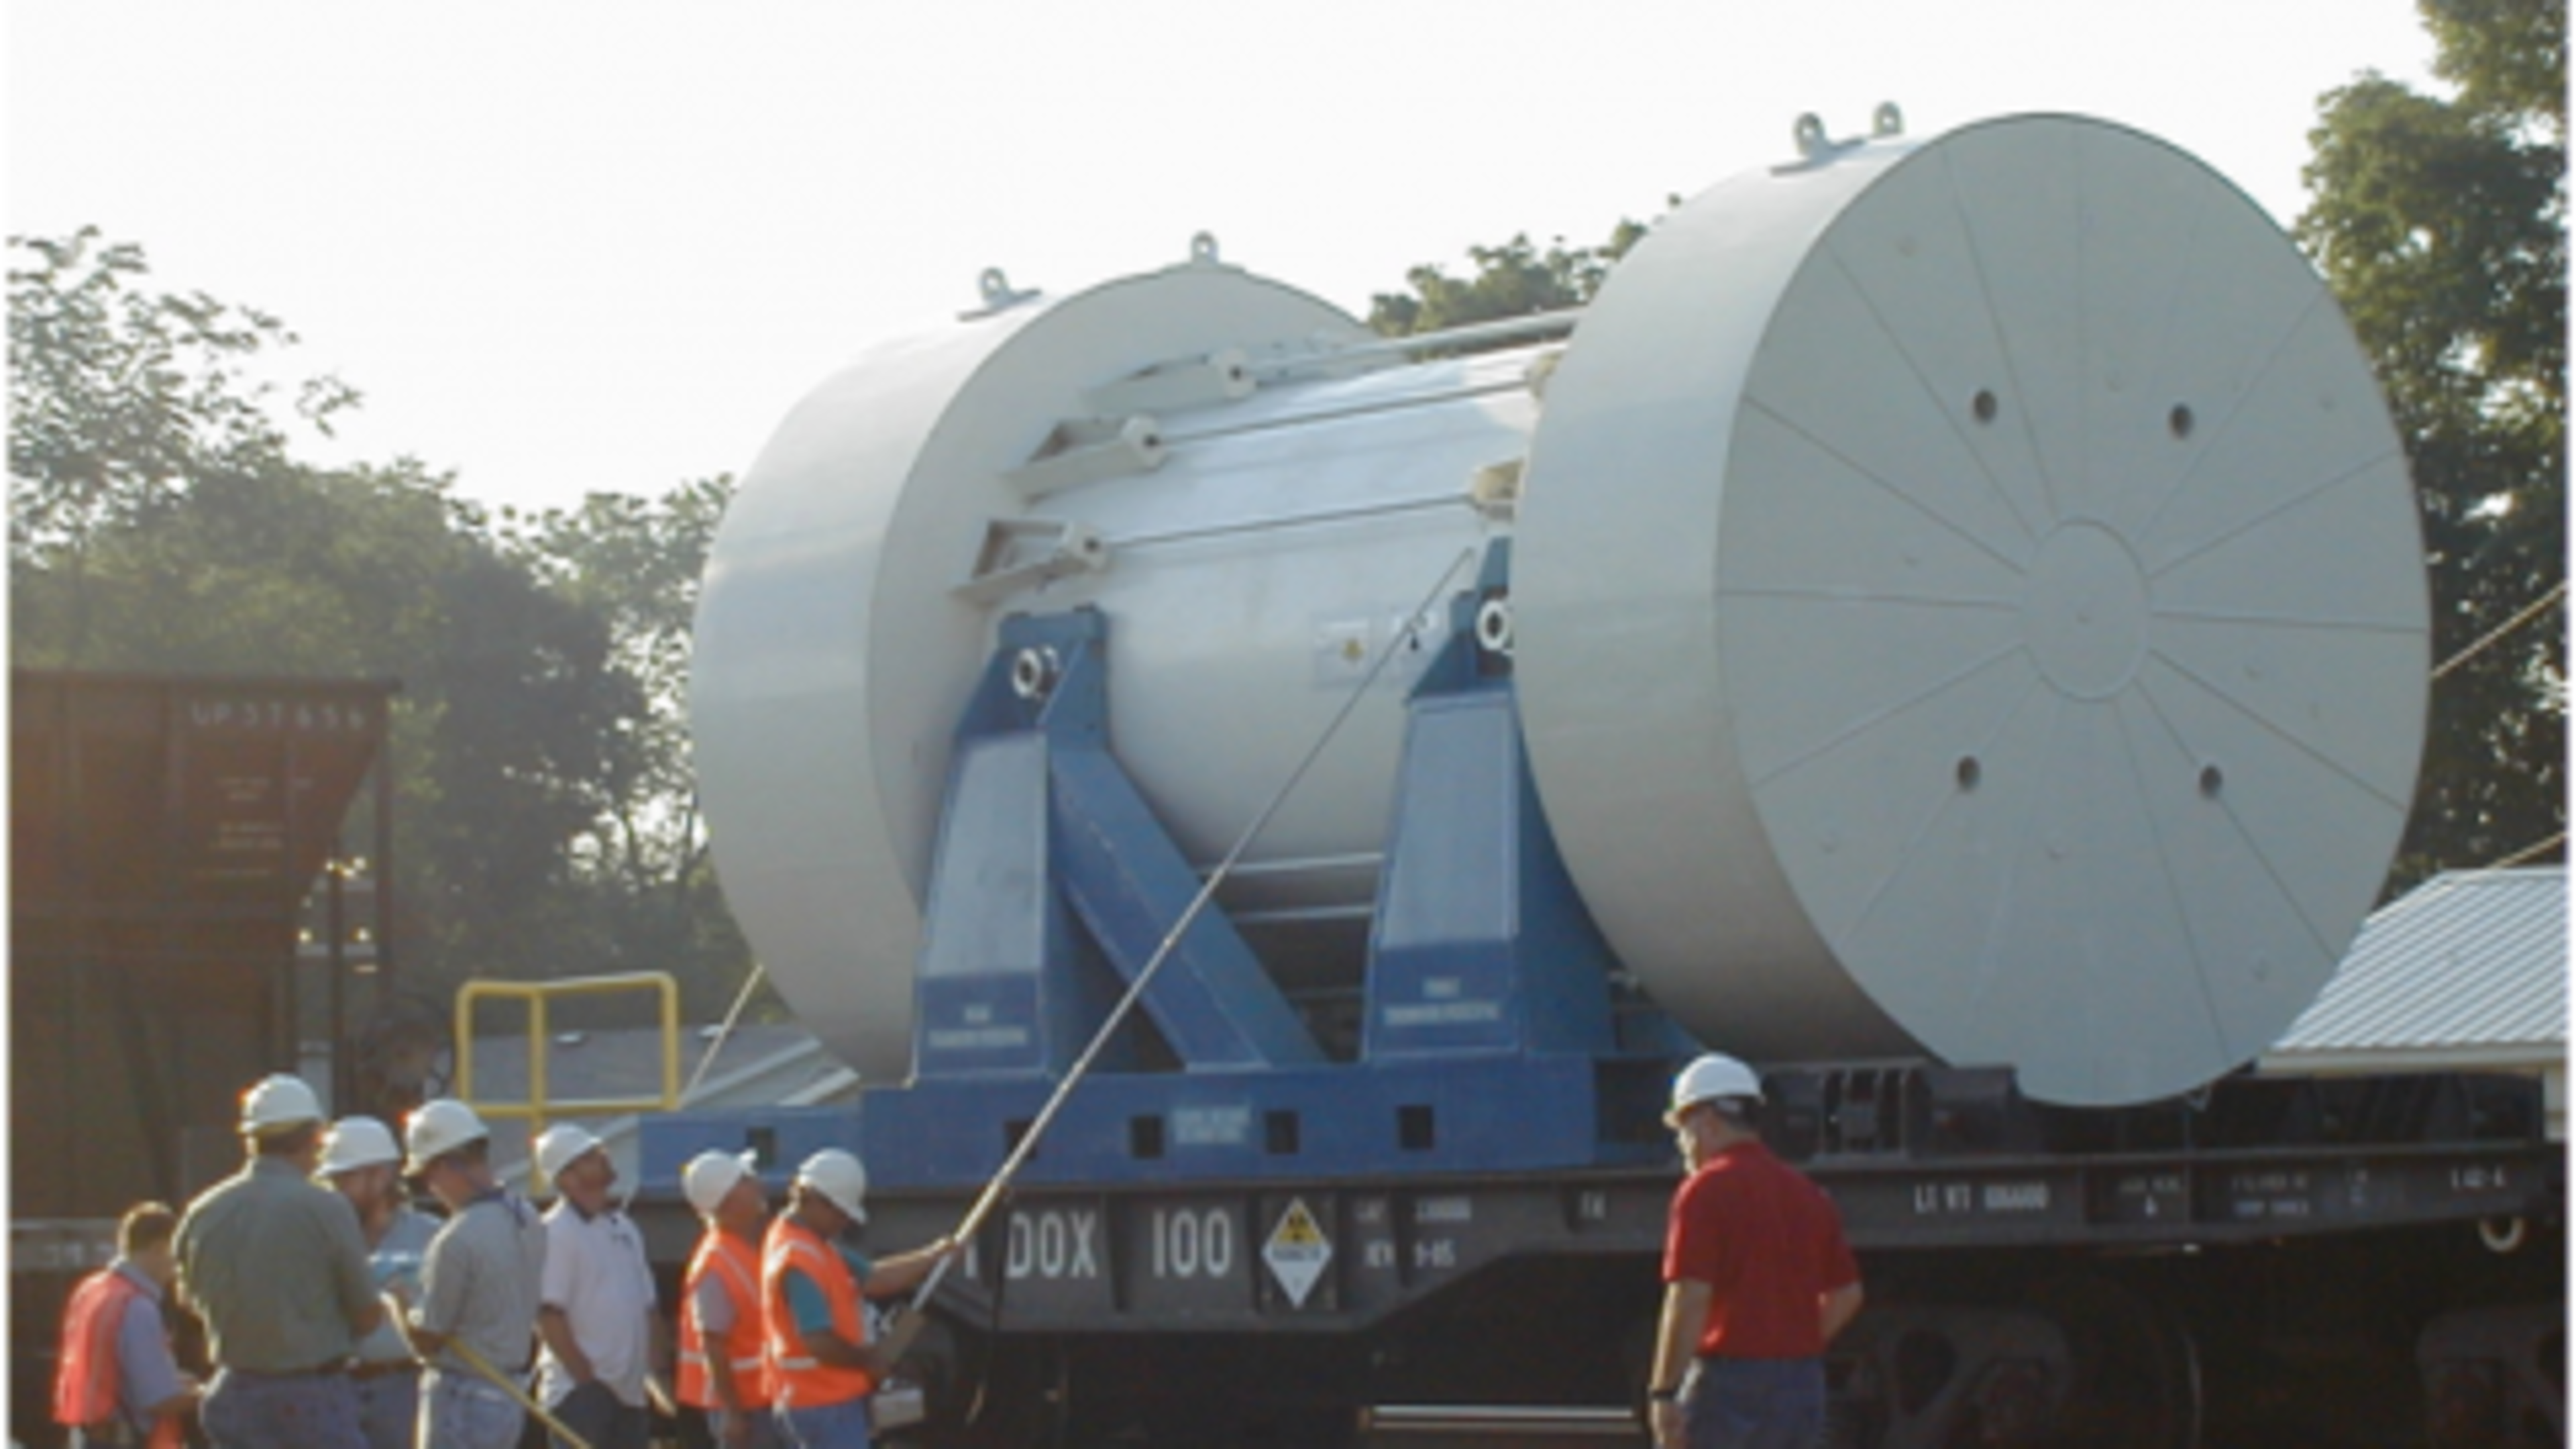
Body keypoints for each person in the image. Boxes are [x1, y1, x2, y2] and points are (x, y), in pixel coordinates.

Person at [1646, 1053, 1864, 1449]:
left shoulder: (1705, 1191)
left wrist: (1663, 1392)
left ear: (1706, 1122)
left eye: (1682, 1132)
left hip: (1728, 1384)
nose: (1683, 1146)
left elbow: (1689, 1297)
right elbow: (1846, 1294)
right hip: (1801, 1382)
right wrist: (1794, 1344)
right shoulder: (1808, 1194)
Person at [173, 1073, 382, 1449]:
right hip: (312, 1396)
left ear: (251, 1141)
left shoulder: (203, 1212)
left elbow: (188, 1300)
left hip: (233, 1392)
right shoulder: (325, 1208)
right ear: (313, 1138)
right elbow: (366, 1314)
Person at [759, 1148, 957, 1449]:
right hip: (822, 1403)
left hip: (820, 1400)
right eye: (840, 1214)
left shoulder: (812, 1245)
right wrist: (869, 1359)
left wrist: (933, 1256)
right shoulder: (799, 1258)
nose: (845, 1223)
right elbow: (817, 1340)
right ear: (815, 1200)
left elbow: (876, 1278)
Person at [400, 1097, 547, 1449]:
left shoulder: (455, 1240)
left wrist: (399, 1304)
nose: (431, 1188)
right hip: (507, 1396)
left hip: (462, 1398)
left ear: (446, 1166)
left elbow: (429, 1339)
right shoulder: (526, 1216)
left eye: (429, 1177)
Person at [532, 1123, 667, 1449]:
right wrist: (586, 1381)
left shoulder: (623, 1228)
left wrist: (657, 1373)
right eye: (589, 1157)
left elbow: (648, 1306)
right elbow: (549, 1315)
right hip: (583, 1398)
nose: (603, 1159)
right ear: (567, 1177)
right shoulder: (556, 1233)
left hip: (628, 1395)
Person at [316, 1116, 437, 1449]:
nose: (337, 1192)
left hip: (403, 1387)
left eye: (346, 1179)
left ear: (382, 1175)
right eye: (334, 1181)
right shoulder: (323, 1239)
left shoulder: (430, 1236)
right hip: (337, 1389)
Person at [53, 1201, 199, 1449]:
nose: (178, 1271)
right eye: (177, 1259)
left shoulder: (93, 1291)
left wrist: (173, 1379)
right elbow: (158, 1399)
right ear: (159, 1248)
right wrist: (212, 1394)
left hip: (89, 1435)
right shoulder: (138, 1308)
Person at [677, 1150, 778, 1448]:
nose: (758, 1184)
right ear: (727, 1200)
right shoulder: (716, 1262)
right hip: (745, 1408)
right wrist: (733, 1412)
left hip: (759, 1400)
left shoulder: (741, 1250)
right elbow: (713, 1343)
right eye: (745, 1180)